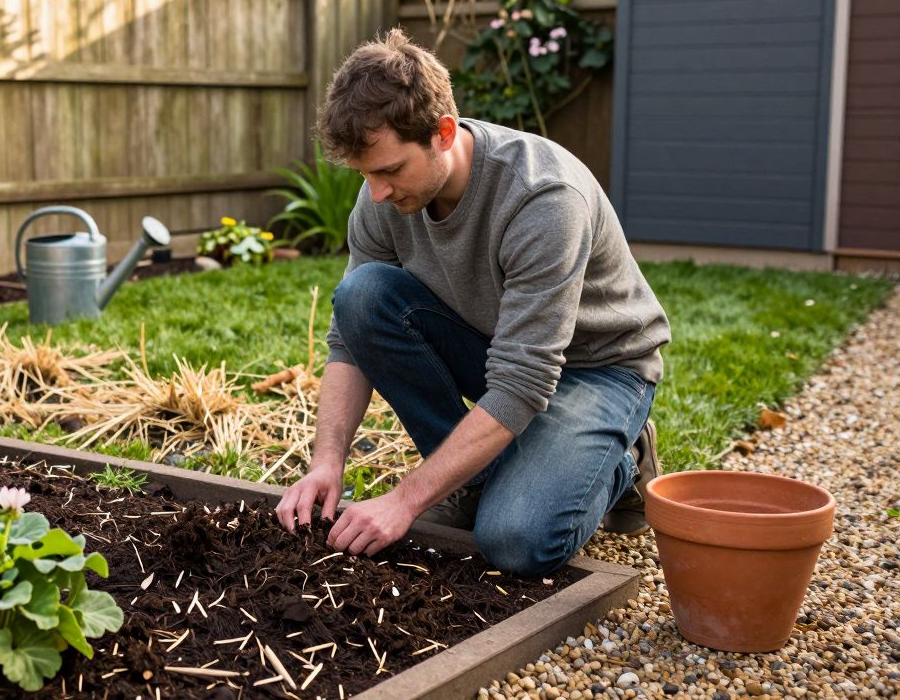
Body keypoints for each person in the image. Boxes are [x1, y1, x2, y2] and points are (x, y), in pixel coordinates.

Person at [273, 30, 671, 578]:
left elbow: (522, 380)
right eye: (366, 174)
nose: (378, 192)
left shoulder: (543, 198)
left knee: (517, 541)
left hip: (598, 370)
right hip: (497, 349)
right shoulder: (381, 199)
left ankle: (622, 459)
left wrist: (405, 500)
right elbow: (349, 339)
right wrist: (326, 464)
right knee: (362, 298)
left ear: (443, 132)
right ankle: (478, 476)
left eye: (390, 170)